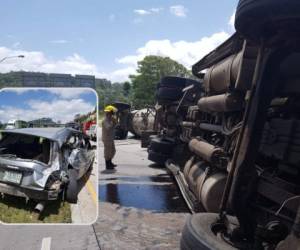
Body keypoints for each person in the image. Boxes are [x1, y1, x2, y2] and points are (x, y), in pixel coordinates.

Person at [102, 105, 117, 170]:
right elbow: (108, 127)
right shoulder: (105, 120)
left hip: (110, 138)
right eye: (111, 113)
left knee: (113, 150)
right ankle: (108, 165)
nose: (112, 115)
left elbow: (115, 125)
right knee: (108, 152)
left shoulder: (111, 119)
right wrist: (111, 122)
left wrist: (114, 121)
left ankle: (110, 162)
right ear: (108, 113)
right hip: (107, 138)